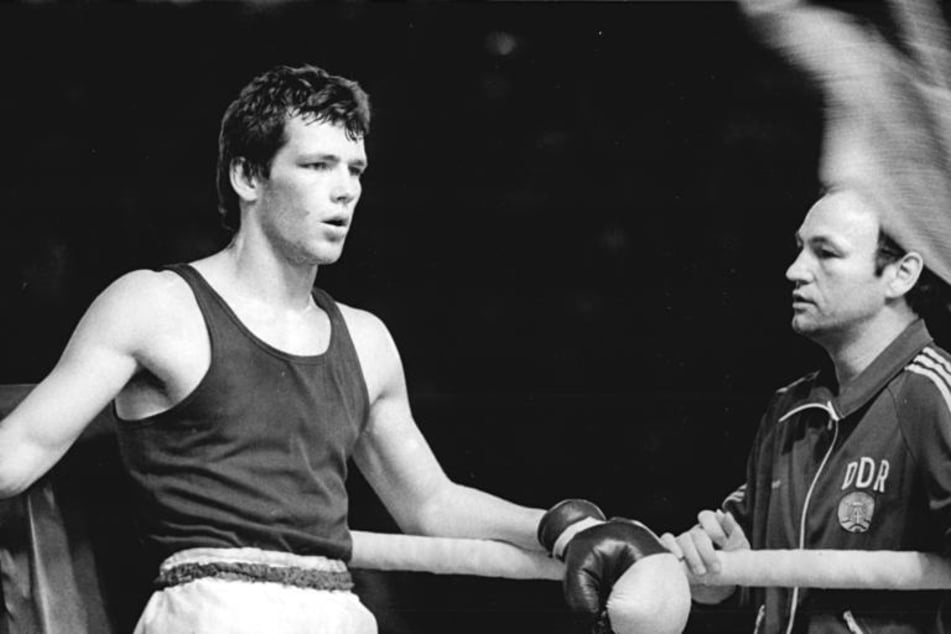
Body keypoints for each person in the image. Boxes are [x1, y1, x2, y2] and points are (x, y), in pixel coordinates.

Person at [0, 64, 685, 634]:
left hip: (338, 611)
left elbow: (429, 504)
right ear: (248, 177)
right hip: (213, 610)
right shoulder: (156, 305)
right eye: (318, 164)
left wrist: (562, 527)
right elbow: (21, 449)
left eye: (355, 168)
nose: (344, 190)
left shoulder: (365, 338)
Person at [662, 0, 951, 631]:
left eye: (825, 253)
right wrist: (721, 565)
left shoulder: (933, 398)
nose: (795, 271)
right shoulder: (789, 413)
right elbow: (741, 580)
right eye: (799, 248)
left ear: (901, 272)